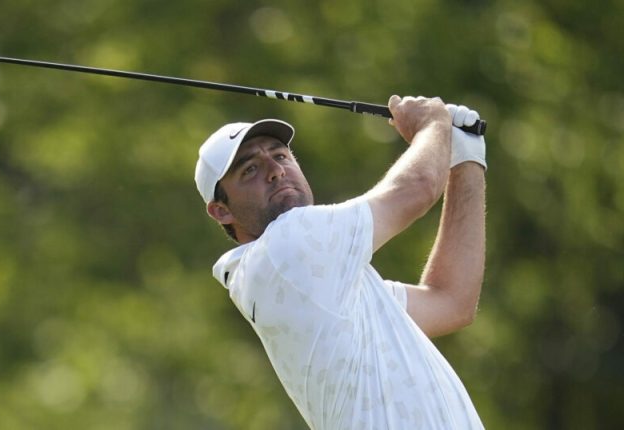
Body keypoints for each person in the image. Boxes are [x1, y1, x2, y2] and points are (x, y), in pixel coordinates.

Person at [194, 95, 486, 429]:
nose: (275, 171)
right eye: (250, 170)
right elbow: (418, 187)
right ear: (221, 211)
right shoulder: (285, 245)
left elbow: (451, 302)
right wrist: (433, 124)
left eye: (280, 155)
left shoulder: (318, 278)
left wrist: (466, 161)